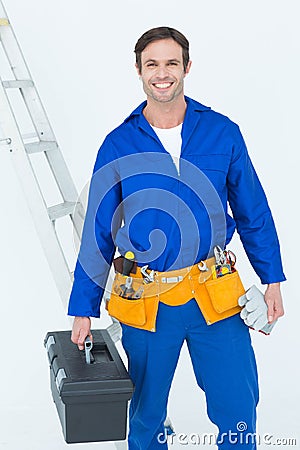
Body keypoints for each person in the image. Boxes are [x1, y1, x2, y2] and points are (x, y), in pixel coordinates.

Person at [68, 27, 285, 449]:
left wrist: (272, 279)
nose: (162, 73)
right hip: (146, 302)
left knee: (238, 407)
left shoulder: (223, 133)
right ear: (138, 71)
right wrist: (83, 309)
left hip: (215, 297)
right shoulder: (118, 144)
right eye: (152, 64)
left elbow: (253, 210)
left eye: (171, 63)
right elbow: (98, 232)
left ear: (186, 67)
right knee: (146, 414)